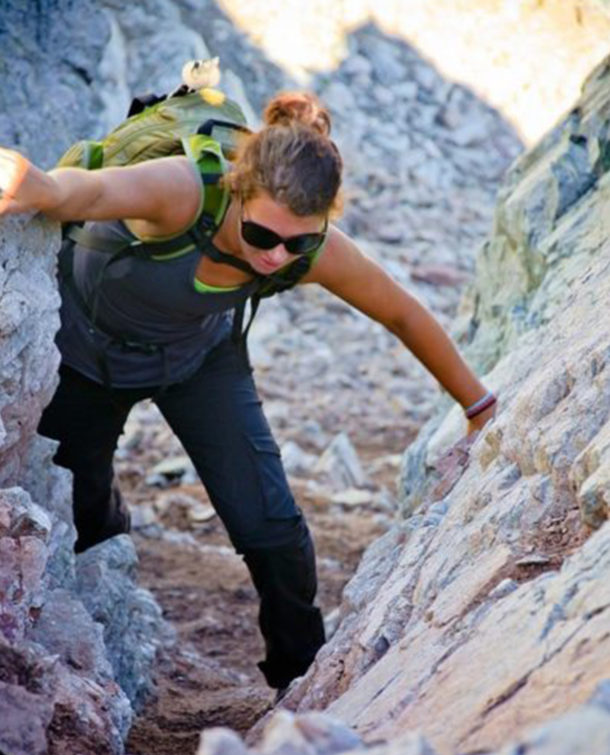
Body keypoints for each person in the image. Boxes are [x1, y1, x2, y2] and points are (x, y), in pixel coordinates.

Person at [0, 91, 496, 696]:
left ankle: (304, 683)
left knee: (273, 530)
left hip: (200, 361)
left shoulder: (308, 250)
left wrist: (480, 407)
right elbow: (89, 192)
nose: (275, 255)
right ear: (237, 189)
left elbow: (402, 314)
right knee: (83, 512)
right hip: (84, 357)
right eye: (263, 233)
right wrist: (39, 187)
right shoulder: (181, 190)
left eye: (299, 243)